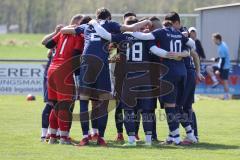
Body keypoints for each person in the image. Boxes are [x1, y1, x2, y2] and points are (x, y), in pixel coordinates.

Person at [90, 15, 189, 146]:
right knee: (147, 110)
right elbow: (155, 56)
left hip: (128, 78)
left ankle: (131, 140)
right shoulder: (147, 39)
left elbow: (112, 60)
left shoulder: (121, 37)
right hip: (146, 78)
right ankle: (148, 140)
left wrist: (115, 80)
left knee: (128, 110)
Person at [61, 8, 150, 146]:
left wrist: (73, 27)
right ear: (108, 17)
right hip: (101, 64)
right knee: (104, 101)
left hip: (86, 63)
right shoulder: (111, 24)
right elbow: (131, 27)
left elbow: (64, 31)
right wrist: (147, 21)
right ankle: (100, 137)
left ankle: (85, 136)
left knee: (84, 101)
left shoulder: (87, 25)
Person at [129, 12, 197, 145]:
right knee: (178, 106)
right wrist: (182, 53)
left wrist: (127, 29)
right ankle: (189, 134)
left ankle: (176, 137)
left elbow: (147, 41)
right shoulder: (179, 33)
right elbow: (192, 45)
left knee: (169, 106)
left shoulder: (159, 33)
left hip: (168, 72)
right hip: (183, 71)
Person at [43, 14, 84, 145]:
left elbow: (48, 44)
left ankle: (53, 137)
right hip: (63, 71)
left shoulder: (62, 32)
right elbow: (75, 56)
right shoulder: (79, 35)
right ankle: (64, 138)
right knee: (65, 107)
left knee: (55, 106)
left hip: (51, 69)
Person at [40, 24, 63, 142]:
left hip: (61, 74)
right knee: (50, 103)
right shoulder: (57, 38)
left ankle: (55, 133)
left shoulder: (65, 40)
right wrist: (55, 32)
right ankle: (44, 134)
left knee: (60, 105)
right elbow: (44, 42)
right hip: (51, 73)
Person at [206, 33, 231, 100]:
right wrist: (215, 59)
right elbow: (222, 57)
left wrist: (219, 70)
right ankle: (215, 81)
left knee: (225, 82)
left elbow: (223, 60)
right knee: (208, 68)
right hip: (221, 65)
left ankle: (227, 97)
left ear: (217, 39)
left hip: (225, 67)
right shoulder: (222, 44)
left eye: (214, 40)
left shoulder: (222, 48)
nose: (213, 41)